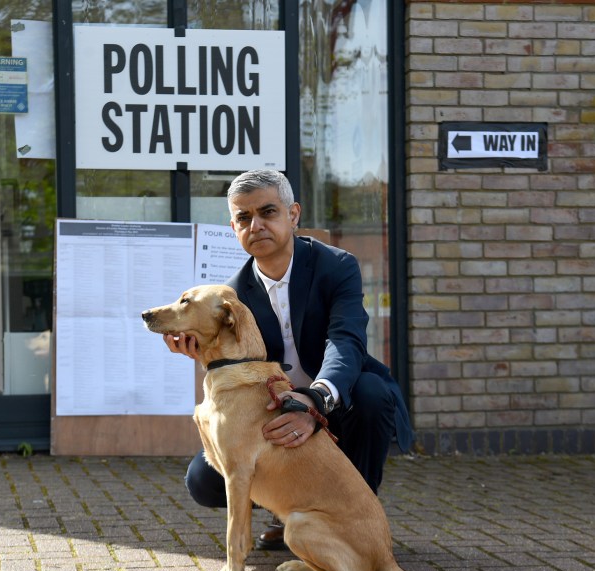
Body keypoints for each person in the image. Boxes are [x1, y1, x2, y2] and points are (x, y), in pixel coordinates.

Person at [164, 169, 413, 550]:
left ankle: (356, 523)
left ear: (293, 215)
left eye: (268, 212)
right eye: (244, 218)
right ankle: (287, 516)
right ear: (233, 226)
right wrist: (199, 351)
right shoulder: (230, 295)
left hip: (335, 400)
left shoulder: (336, 266)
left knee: (372, 392)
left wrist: (313, 400)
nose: (256, 225)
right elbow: (230, 362)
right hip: (271, 409)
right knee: (202, 480)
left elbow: (345, 342)